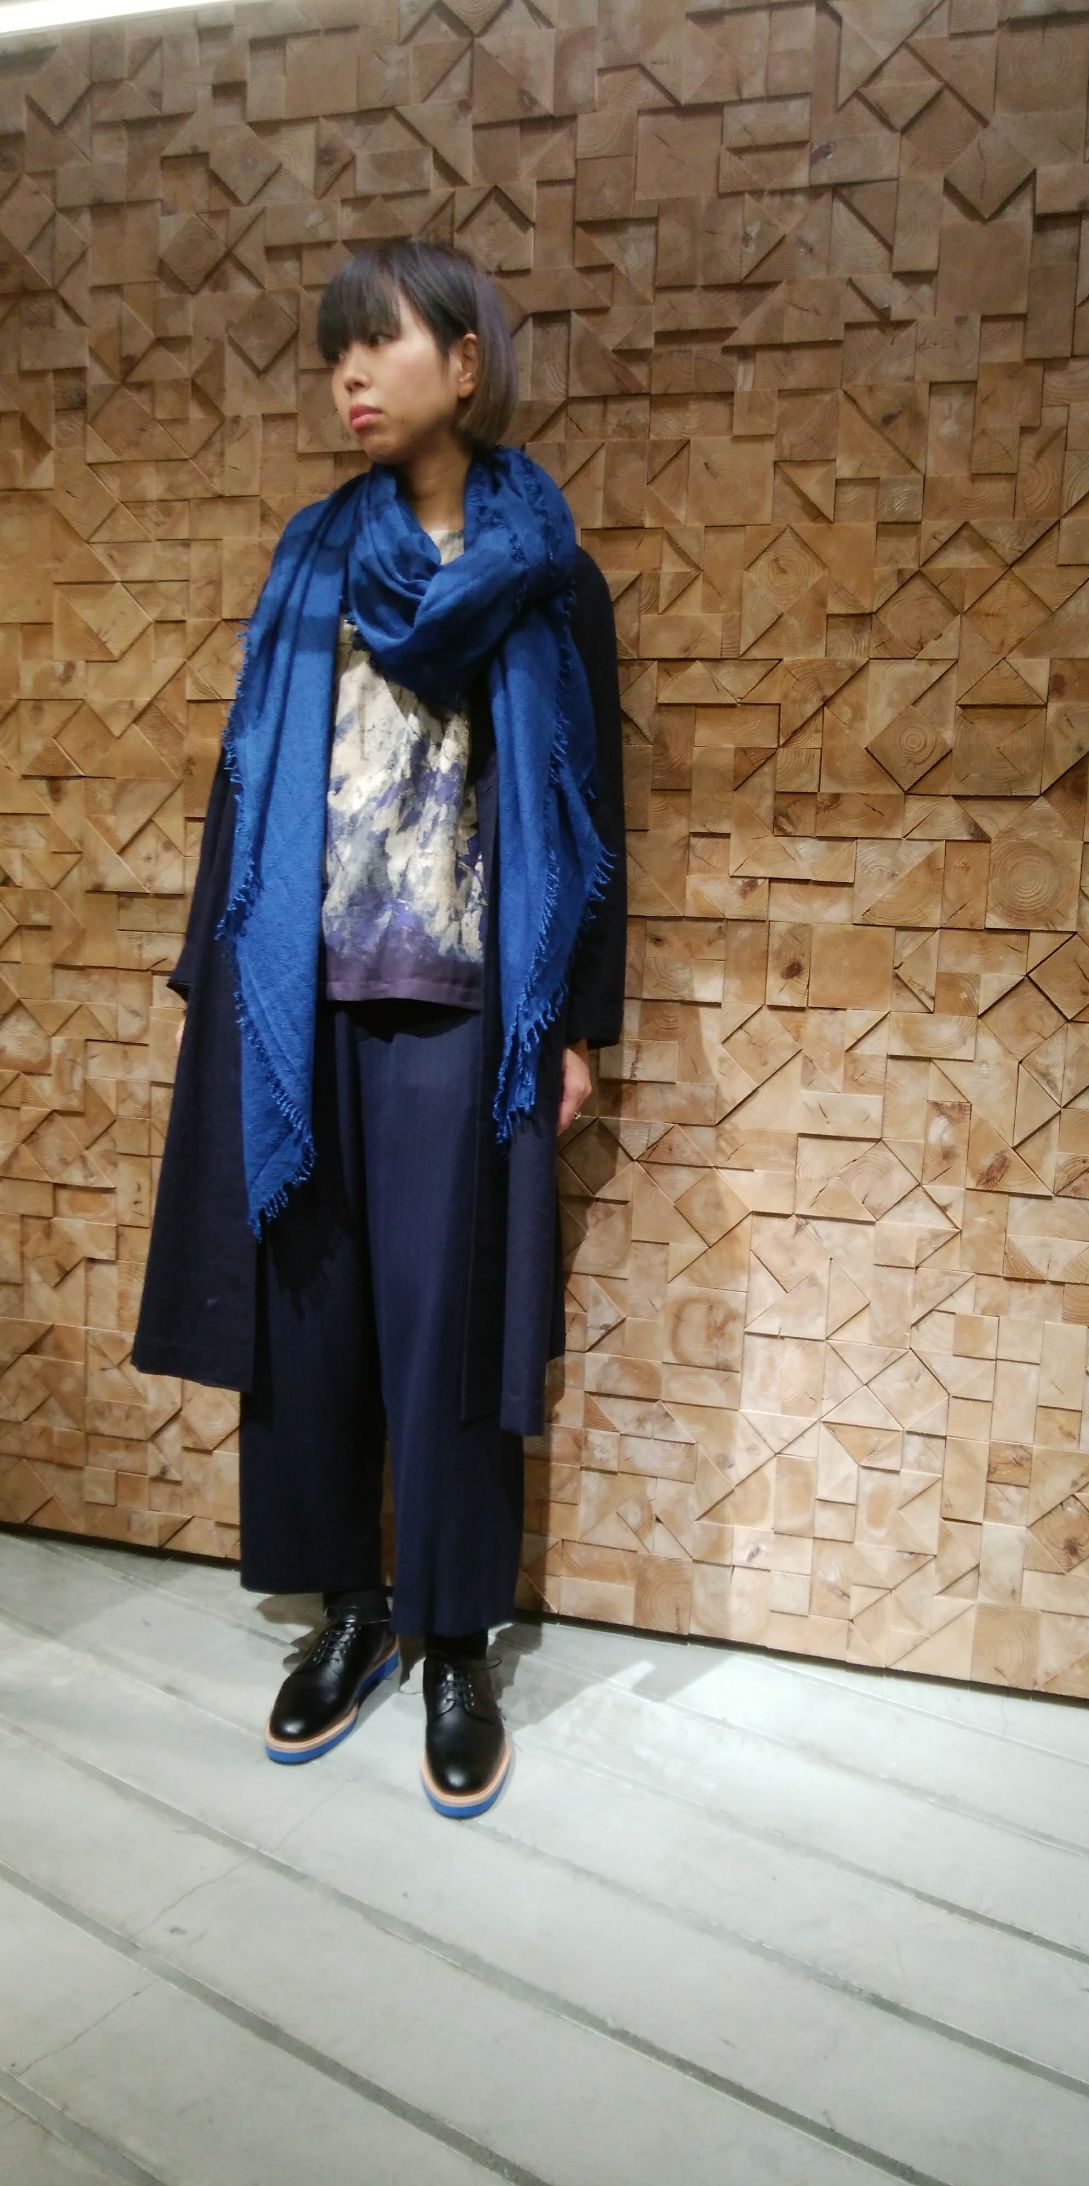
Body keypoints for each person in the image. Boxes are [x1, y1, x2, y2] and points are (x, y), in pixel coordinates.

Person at [130, 240, 627, 1821]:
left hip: (471, 1009)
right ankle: (350, 1610)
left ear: (467, 363)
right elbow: (247, 782)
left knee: (451, 1326)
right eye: (334, 351)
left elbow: (590, 814)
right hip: (304, 997)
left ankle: (454, 1637)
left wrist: (579, 1023)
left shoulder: (546, 576)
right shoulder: (308, 557)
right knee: (312, 1318)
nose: (349, 375)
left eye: (381, 343)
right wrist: (214, 985)